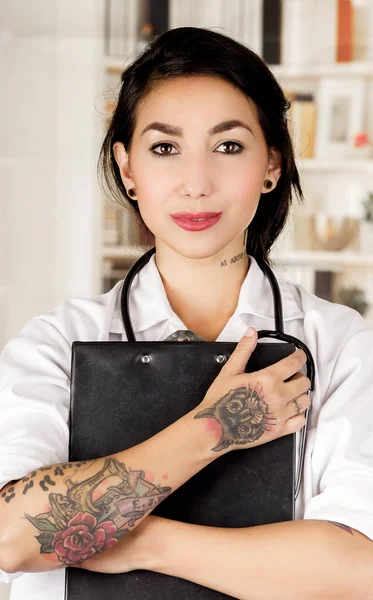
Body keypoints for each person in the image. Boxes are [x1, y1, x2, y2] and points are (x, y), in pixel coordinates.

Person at [1, 26, 373, 600]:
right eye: (164, 148)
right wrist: (218, 427)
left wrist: (138, 542)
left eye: (228, 147)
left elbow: (355, 572)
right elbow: (11, 539)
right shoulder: (57, 343)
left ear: (271, 164)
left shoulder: (341, 343)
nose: (196, 184)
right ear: (127, 170)